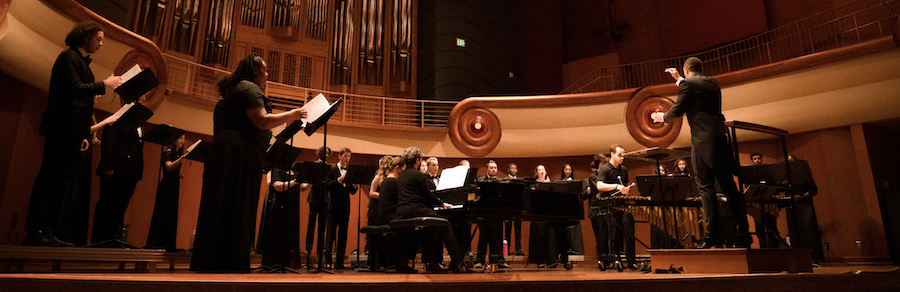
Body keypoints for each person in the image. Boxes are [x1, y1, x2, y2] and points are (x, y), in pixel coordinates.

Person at [190, 54, 307, 272]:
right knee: (239, 207)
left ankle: (216, 261)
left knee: (222, 207)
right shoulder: (249, 87)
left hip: (226, 155)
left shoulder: (234, 91)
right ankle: (232, 262)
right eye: (265, 70)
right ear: (255, 70)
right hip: (239, 157)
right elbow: (261, 120)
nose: (267, 75)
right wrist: (294, 114)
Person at [24, 21, 123, 247]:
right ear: (85, 36)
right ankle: (36, 230)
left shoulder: (79, 61)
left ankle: (48, 230)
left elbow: (76, 93)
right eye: (98, 39)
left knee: (59, 181)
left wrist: (91, 99)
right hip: (62, 128)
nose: (101, 43)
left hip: (72, 131)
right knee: (50, 179)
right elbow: (73, 89)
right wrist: (104, 84)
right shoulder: (69, 57)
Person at [652, 57, 751, 248]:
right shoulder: (712, 83)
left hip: (702, 141)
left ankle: (713, 235)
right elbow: (695, 90)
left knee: (706, 188)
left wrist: (662, 117)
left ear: (686, 70)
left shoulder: (688, 84)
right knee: (729, 187)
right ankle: (744, 233)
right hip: (721, 138)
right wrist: (679, 79)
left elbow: (678, 109)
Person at [396, 146, 468, 273]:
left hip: (402, 211)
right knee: (446, 225)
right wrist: (443, 204)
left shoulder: (401, 176)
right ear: (417, 160)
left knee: (426, 230)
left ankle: (429, 264)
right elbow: (428, 196)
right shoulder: (418, 175)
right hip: (417, 210)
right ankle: (458, 263)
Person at [91, 95, 148, 246]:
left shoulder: (137, 124)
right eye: (141, 101)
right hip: (115, 171)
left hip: (130, 173)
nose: (144, 105)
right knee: (107, 205)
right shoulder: (116, 119)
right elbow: (108, 144)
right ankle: (100, 241)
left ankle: (113, 238)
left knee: (121, 206)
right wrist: (108, 167)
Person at [592, 144, 637, 269]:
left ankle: (631, 261)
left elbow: (625, 186)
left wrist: (626, 190)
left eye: (623, 155)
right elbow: (599, 186)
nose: (622, 157)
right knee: (614, 234)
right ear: (612, 154)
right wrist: (617, 186)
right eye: (620, 155)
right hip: (610, 206)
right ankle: (615, 260)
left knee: (629, 231)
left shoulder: (624, 170)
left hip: (622, 204)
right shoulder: (605, 169)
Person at [145, 134, 192, 250]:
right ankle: (157, 242)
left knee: (171, 214)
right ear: (174, 139)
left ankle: (168, 243)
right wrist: (182, 158)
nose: (182, 141)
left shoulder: (177, 154)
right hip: (166, 188)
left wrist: (179, 174)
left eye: (184, 139)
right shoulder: (168, 153)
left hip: (174, 187)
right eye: (180, 138)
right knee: (163, 213)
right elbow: (168, 167)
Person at [258, 163, 309, 267]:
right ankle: (274, 263)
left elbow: (302, 187)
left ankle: (288, 263)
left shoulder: (296, 173)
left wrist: (311, 180)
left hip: (292, 207)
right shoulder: (277, 170)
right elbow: (277, 186)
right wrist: (295, 182)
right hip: (279, 207)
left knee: (290, 235)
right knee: (277, 233)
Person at [323, 147, 358, 270]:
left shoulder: (349, 171)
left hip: (345, 207)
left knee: (343, 235)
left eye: (349, 156)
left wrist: (354, 186)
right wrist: (339, 180)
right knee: (330, 235)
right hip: (333, 207)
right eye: (345, 156)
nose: (347, 158)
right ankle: (327, 261)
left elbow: (351, 191)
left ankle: (339, 261)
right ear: (339, 156)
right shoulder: (332, 169)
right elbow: (327, 185)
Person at [786, 155, 823, 262]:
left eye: (792, 161)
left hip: (804, 204)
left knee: (807, 228)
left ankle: (812, 255)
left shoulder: (805, 175)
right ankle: (798, 256)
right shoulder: (786, 177)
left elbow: (813, 190)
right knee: (794, 229)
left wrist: (801, 197)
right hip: (791, 205)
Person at [474, 160, 508, 269]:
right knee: (483, 237)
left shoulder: (500, 181)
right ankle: (479, 260)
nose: (493, 170)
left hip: (497, 214)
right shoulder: (480, 180)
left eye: (495, 168)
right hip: (483, 213)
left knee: (498, 237)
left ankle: (499, 260)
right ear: (487, 168)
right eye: (491, 168)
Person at [748, 153, 784, 248]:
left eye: (759, 158)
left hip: (768, 202)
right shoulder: (750, 174)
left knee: (772, 225)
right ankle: (763, 245)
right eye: (755, 159)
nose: (757, 160)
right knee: (759, 226)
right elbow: (748, 187)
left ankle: (774, 246)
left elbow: (774, 184)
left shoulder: (768, 172)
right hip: (757, 203)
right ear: (752, 160)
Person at [304, 146, 331, 264]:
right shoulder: (314, 165)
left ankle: (320, 251)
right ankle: (308, 249)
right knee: (311, 224)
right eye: (324, 153)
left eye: (327, 153)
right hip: (314, 197)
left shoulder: (329, 167)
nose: (326, 155)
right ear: (319, 154)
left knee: (322, 226)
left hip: (324, 198)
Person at [504, 163, 524, 256]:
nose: (514, 170)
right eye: (512, 168)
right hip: (508, 208)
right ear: (508, 170)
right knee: (507, 230)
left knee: (518, 230)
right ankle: (506, 250)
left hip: (517, 208)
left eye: (515, 168)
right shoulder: (505, 180)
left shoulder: (520, 181)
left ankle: (518, 249)